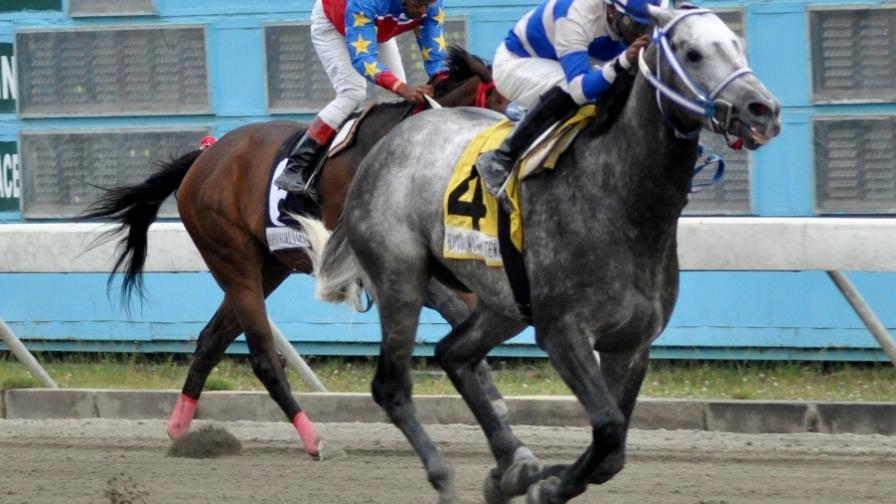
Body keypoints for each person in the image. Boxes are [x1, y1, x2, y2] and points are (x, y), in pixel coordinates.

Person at [476, 0, 665, 207]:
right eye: (636, 25)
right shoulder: (575, 14)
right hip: (516, 64)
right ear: (612, 10)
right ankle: (501, 158)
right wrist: (622, 61)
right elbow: (579, 89)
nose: (643, 33)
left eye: (649, 25)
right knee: (576, 90)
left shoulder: (627, 18)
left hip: (562, 62)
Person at [276, 0, 449, 199]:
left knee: (398, 100)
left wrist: (441, 83)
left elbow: (436, 60)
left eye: (428, 5)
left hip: (373, 25)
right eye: (418, 4)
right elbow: (363, 59)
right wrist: (402, 88)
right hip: (334, 24)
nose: (423, 11)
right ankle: (295, 166)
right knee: (353, 93)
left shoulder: (432, 6)